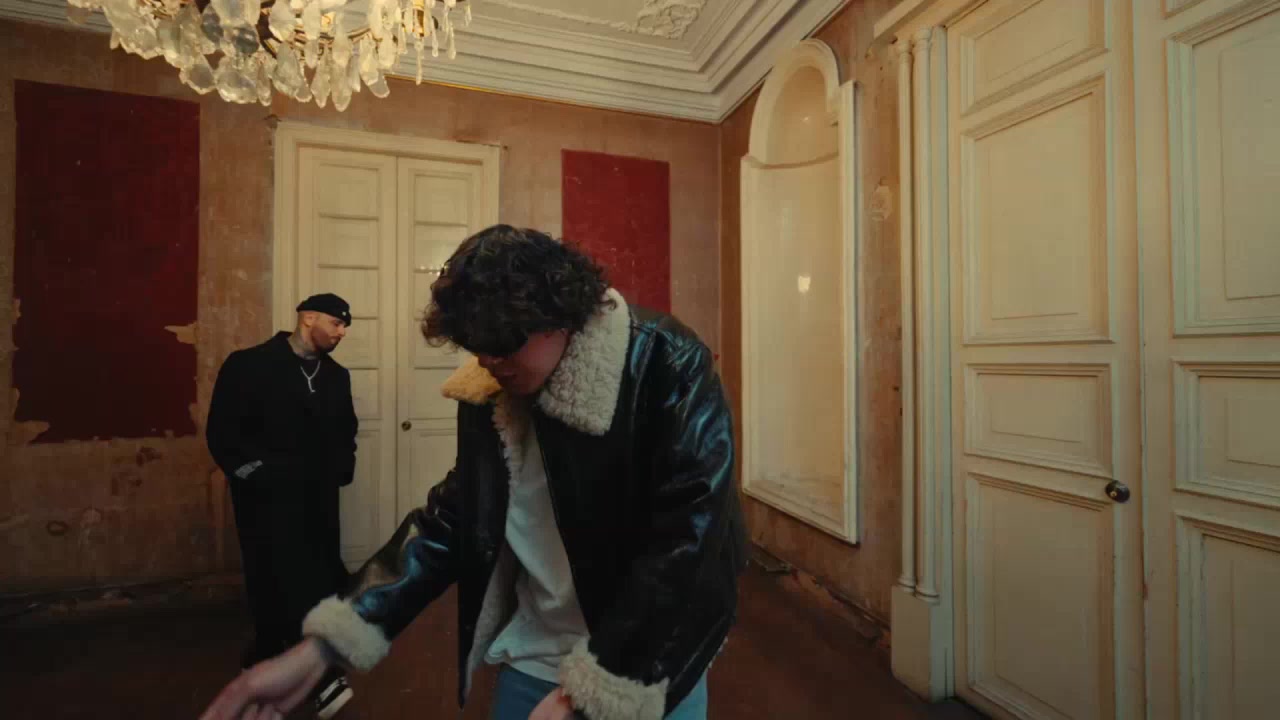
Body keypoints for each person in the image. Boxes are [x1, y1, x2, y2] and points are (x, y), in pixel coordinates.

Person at [199, 226, 747, 720]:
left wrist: (594, 691)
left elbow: (691, 543)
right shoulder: (492, 386)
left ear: (562, 313)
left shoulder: (665, 361)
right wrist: (323, 646)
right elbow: (452, 520)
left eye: (503, 343)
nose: (488, 361)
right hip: (534, 658)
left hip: (645, 665)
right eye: (476, 346)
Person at [206, 292, 360, 719]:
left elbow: (347, 430)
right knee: (274, 579)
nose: (342, 332)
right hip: (266, 501)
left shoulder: (337, 376)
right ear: (308, 318)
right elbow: (222, 431)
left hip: (318, 500)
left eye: (345, 326)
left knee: (319, 577)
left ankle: (279, 662)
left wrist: (341, 468)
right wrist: (253, 475)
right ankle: (309, 673)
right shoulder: (248, 365)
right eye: (336, 323)